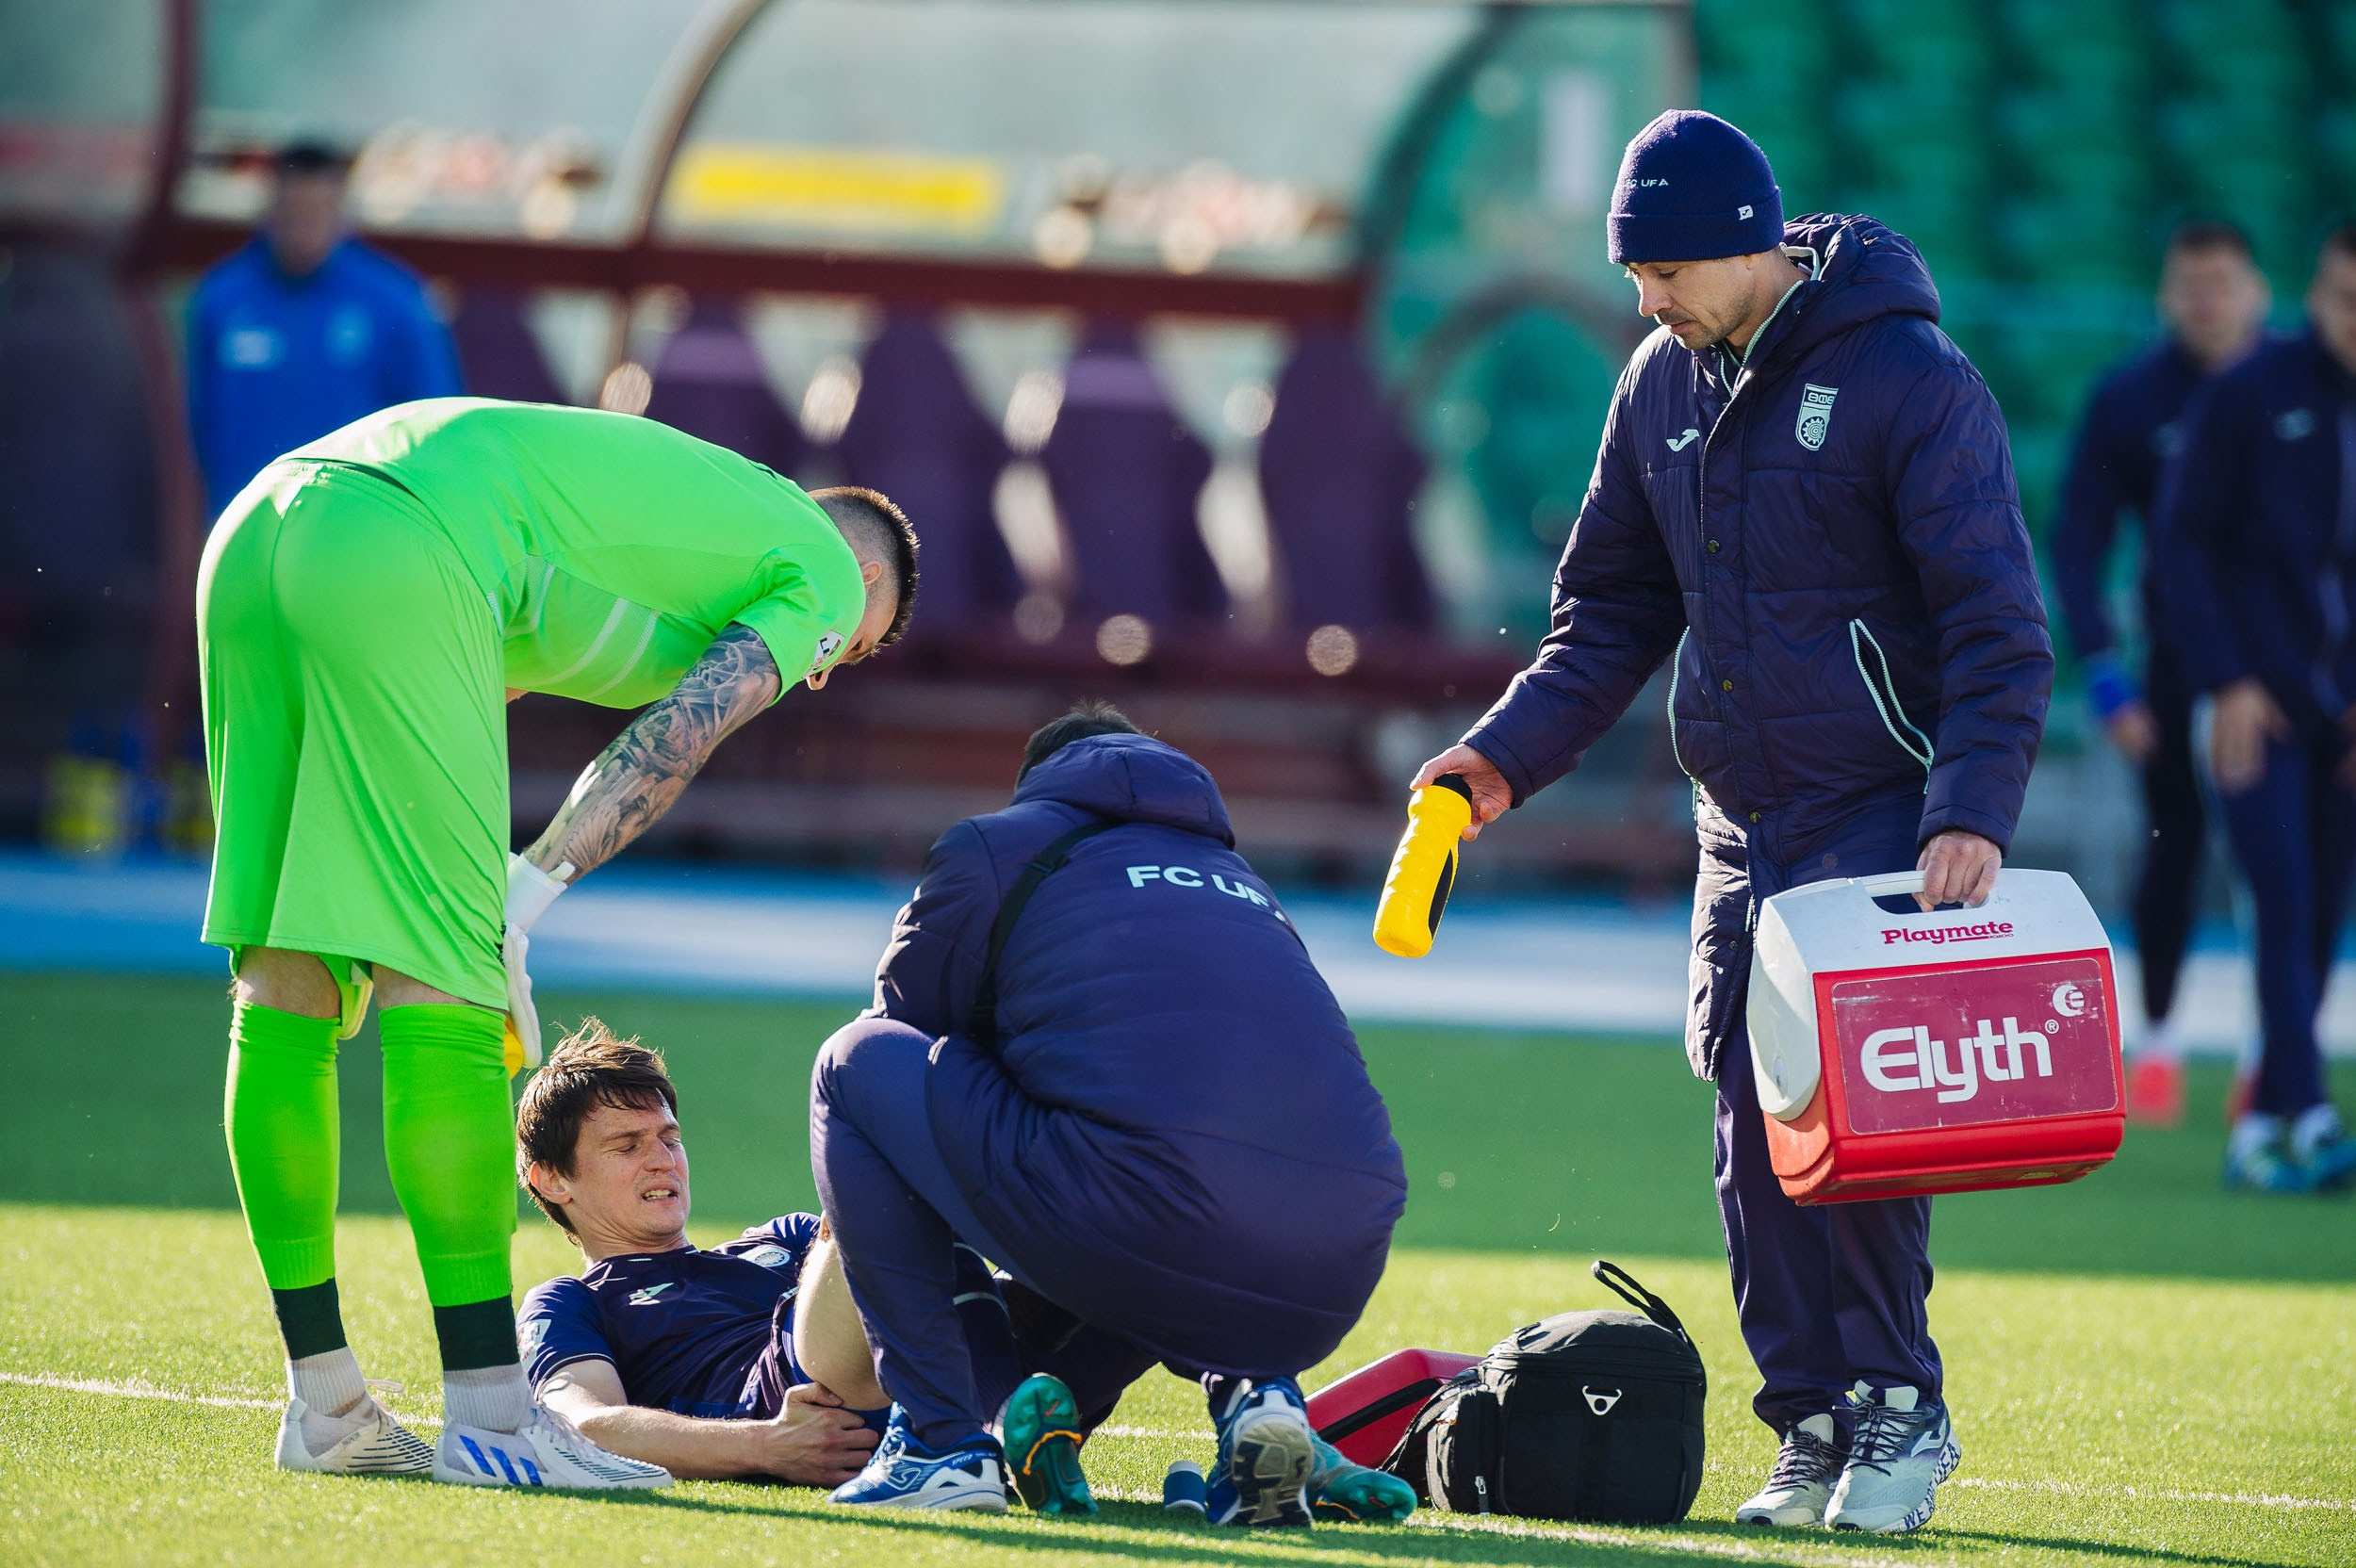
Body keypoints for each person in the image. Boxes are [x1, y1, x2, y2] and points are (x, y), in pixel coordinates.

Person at [1412, 112, 2051, 1535]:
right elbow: (1608, 619)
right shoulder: (1657, 383)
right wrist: (1498, 762)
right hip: (1737, 824)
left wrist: (1971, 811)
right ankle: (1814, 1425)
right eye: (1633, 272)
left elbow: (1998, 624)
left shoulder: (1909, 375)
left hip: (1877, 808)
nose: (1645, 298)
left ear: (1753, 241)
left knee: (1861, 1131)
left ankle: (1900, 1411)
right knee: (1754, 1133)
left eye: (1667, 269)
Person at [199, 395, 916, 1488]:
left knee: (284, 979)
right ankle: (492, 1417)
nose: (818, 670)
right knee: (445, 985)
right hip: (400, 537)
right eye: (847, 652)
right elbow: (684, 733)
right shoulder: (819, 565)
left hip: (260, 525)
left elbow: (486, 667)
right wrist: (525, 895)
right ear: (862, 589)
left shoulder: (676, 540)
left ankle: (326, 1401)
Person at [810, 704, 1413, 1524]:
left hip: (1134, 1212)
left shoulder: (998, 844)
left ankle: (939, 1442)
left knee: (853, 1066)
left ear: (1040, 785)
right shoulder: (1245, 885)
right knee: (1173, 1173)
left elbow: (906, 1030)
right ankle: (1257, 1400)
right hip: (1339, 1256)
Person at [514, 1020, 1020, 1485]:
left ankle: (1012, 1417)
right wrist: (767, 1445)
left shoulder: (783, 1237)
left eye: (670, 1139)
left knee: (1070, 1290)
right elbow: (585, 1425)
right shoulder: (570, 1301)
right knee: (881, 1172)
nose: (662, 1161)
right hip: (795, 1397)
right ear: (553, 1179)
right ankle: (1000, 1414)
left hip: (913, 1377)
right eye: (627, 1147)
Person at [2052, 222, 2270, 1126]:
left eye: (2222, 283)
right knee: (2170, 852)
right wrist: (2106, 669)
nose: (2207, 300)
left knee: (2282, 865)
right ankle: (2161, 1046)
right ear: (2165, 294)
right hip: (2177, 667)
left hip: (2285, 668)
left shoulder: (2302, 389)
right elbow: (2078, 538)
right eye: (2191, 284)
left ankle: (2272, 1055)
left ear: (2255, 289)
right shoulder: (2133, 398)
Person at [2153, 224, 2356, 1196]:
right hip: (2249, 708)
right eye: (2343, 301)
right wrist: (2226, 678)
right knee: (2278, 899)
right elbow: (2179, 548)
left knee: (2323, 916)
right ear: (2313, 297)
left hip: (2342, 717)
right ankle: (2309, 1113)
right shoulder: (2247, 394)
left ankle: (2265, 1122)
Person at [187, 141, 462, 520]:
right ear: (271, 208)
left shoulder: (394, 301)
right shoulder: (222, 299)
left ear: (341, 212)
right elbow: (193, 424)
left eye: (317, 213)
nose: (304, 228)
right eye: (294, 213)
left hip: (352, 529)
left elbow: (434, 422)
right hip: (244, 524)